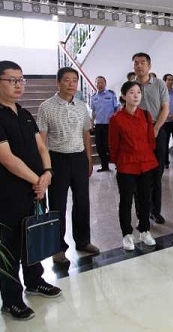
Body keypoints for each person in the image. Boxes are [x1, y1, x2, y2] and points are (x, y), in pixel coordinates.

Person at [0, 61, 61, 320]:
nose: (18, 85)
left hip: (36, 188)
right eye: (12, 80)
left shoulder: (24, 112)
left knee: (33, 235)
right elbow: (8, 160)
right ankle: (11, 299)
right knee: (11, 245)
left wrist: (47, 173)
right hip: (11, 192)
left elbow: (41, 147)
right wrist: (38, 180)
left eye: (21, 80)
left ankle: (34, 281)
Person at [37, 67, 99, 265]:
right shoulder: (46, 107)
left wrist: (89, 158)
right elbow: (42, 139)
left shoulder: (81, 106)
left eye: (74, 80)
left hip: (79, 159)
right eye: (67, 80)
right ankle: (58, 248)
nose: (71, 84)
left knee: (82, 202)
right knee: (57, 205)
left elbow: (86, 133)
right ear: (58, 83)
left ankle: (83, 241)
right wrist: (45, 166)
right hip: (57, 160)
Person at [109, 81, 158, 250]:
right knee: (126, 200)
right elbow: (113, 145)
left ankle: (144, 230)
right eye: (131, 92)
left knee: (145, 199)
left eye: (138, 92)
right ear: (123, 96)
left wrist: (145, 153)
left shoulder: (145, 115)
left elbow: (151, 139)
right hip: (126, 164)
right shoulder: (116, 119)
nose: (136, 95)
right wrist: (118, 162)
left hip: (145, 162)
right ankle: (127, 234)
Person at [133, 52, 169, 224]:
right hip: (136, 133)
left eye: (142, 62)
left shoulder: (160, 84)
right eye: (136, 63)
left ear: (149, 66)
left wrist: (155, 128)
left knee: (156, 173)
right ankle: (142, 212)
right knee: (139, 173)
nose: (139, 65)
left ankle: (155, 211)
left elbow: (165, 108)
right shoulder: (131, 86)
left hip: (157, 129)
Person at [90, 76, 119, 172]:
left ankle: (117, 164)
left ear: (105, 84)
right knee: (99, 146)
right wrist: (91, 123)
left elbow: (116, 109)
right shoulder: (93, 97)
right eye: (98, 82)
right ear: (95, 84)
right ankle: (104, 166)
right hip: (98, 125)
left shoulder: (111, 95)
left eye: (102, 82)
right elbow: (93, 112)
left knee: (110, 146)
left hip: (109, 125)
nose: (100, 84)